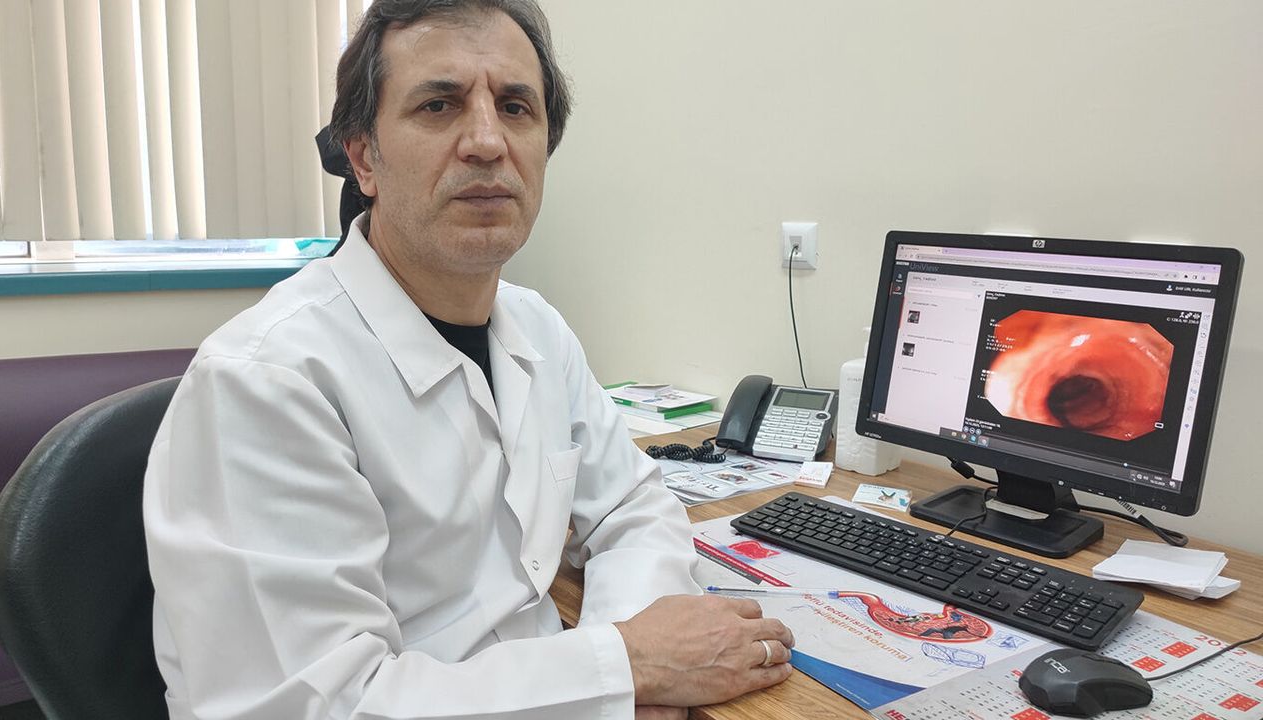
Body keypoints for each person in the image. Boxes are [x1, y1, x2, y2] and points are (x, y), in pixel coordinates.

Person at [143, 1, 793, 718]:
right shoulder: (264, 382)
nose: (487, 141)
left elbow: (632, 505)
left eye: (515, 107)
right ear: (363, 158)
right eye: (439, 105)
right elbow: (314, 705)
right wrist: (621, 669)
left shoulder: (537, 329)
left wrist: (633, 664)